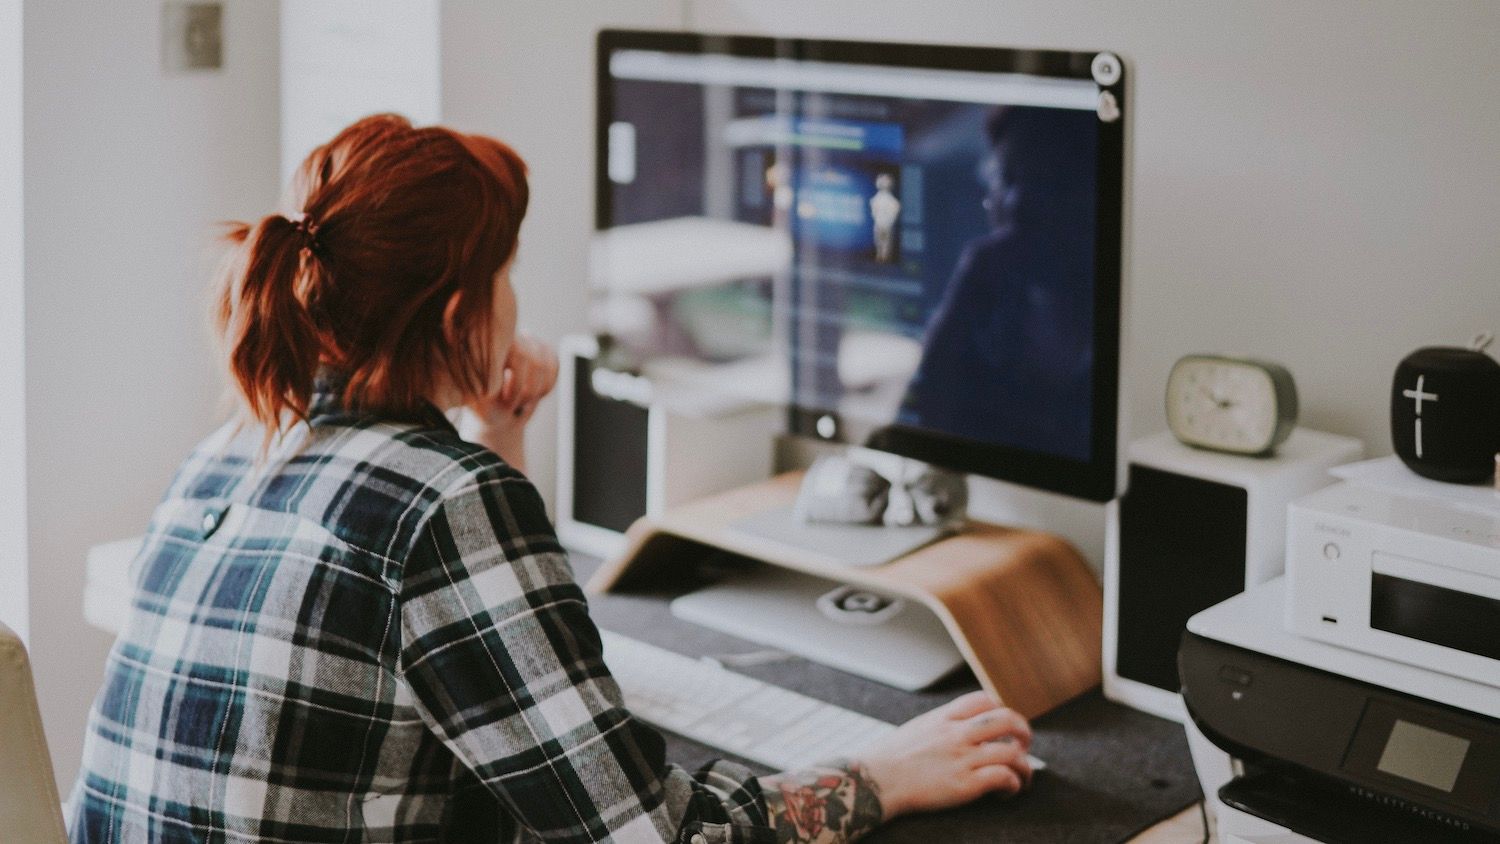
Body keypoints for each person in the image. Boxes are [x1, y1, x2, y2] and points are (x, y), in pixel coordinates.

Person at [69, 114, 1034, 844]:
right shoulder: (443, 501)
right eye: (508, 271)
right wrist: (883, 775)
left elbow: (474, 665)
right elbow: (653, 835)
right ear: (460, 316)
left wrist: (492, 434)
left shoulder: (234, 448)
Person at [897, 107, 1098, 462]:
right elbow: (915, 426)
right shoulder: (988, 296)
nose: (1017, 202)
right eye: (1006, 179)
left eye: (1044, 180)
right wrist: (967, 295)